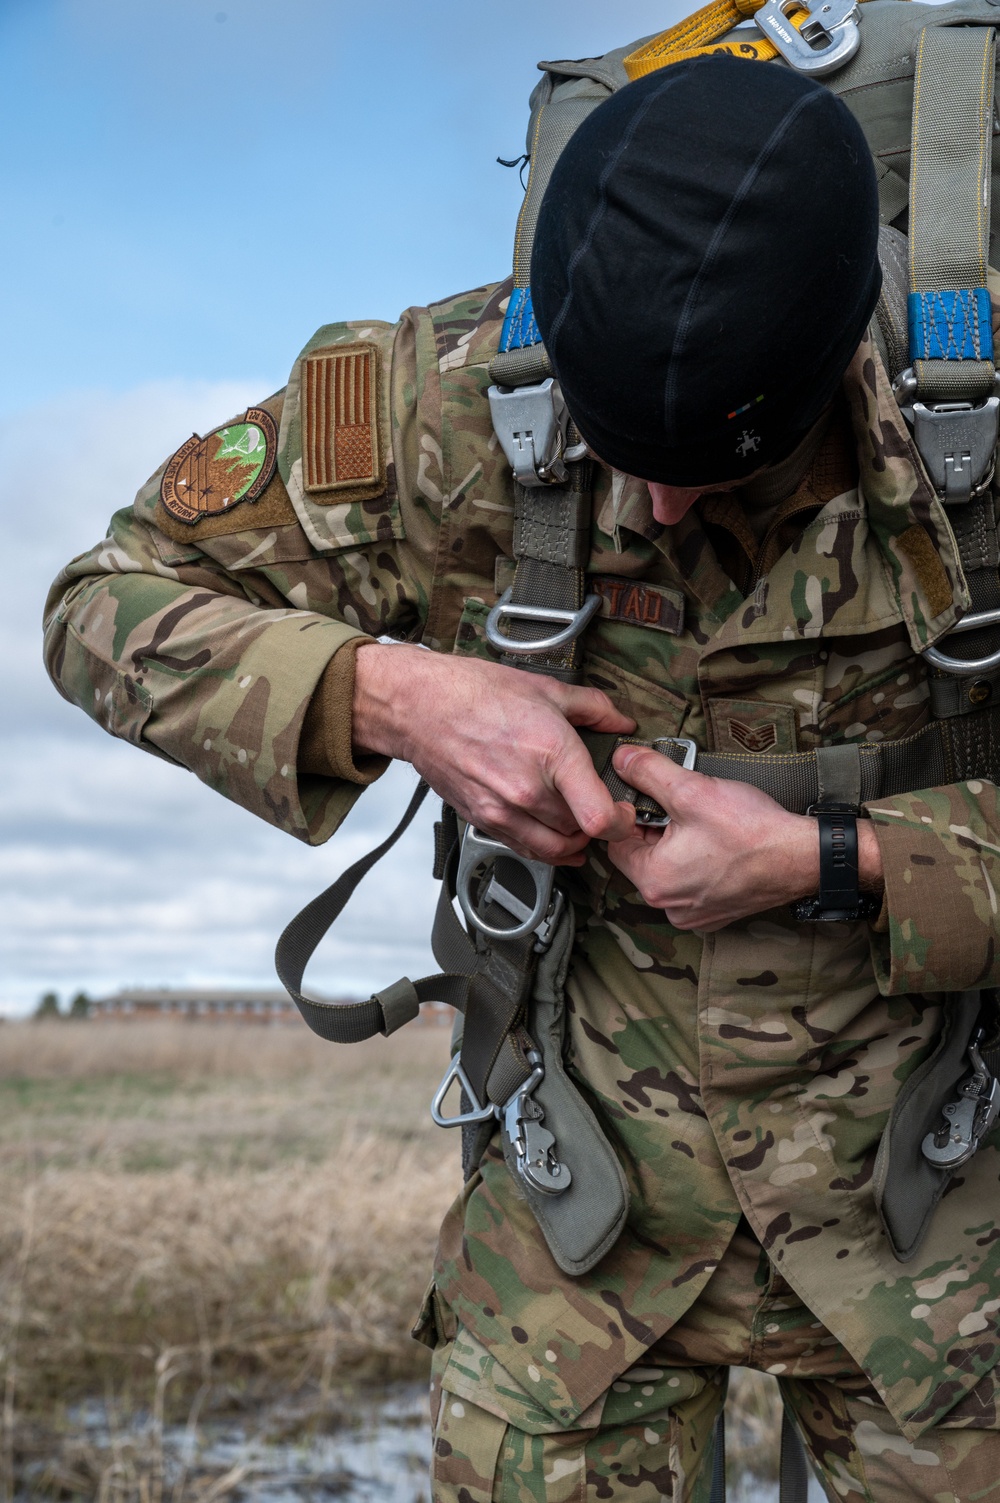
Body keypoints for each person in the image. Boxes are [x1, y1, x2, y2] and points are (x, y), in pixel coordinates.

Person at [44, 51, 1000, 1502]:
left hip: (941, 1246)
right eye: (630, 451)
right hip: (573, 1233)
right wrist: (394, 695)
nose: (663, 504)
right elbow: (101, 604)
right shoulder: (428, 394)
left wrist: (840, 860)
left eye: (722, 462)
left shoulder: (963, 417)